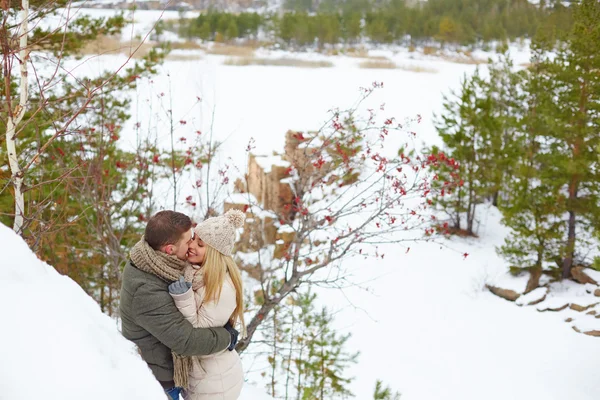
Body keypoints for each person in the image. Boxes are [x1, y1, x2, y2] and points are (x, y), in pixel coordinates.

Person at [119, 210, 239, 400]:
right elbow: (186, 341)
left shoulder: (155, 260)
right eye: (188, 241)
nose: (191, 245)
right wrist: (226, 336)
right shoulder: (146, 292)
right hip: (158, 382)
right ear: (170, 250)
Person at [168, 209, 246, 400]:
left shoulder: (222, 287)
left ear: (214, 254)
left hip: (214, 381)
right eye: (193, 239)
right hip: (202, 370)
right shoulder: (196, 271)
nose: (192, 245)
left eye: (200, 244)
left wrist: (183, 297)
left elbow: (198, 327)